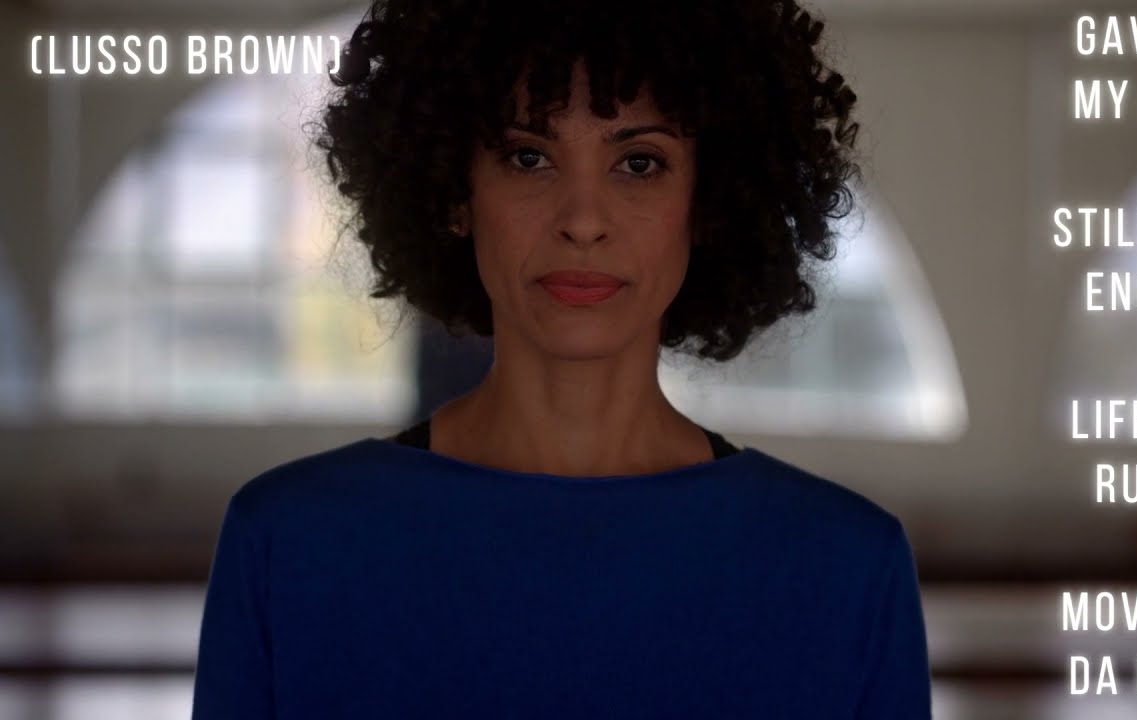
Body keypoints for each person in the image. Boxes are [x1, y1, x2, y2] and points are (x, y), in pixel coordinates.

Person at [192, 0, 932, 717]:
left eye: (638, 163)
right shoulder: (288, 545)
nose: (582, 221)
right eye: (529, 157)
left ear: (708, 202)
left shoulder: (848, 569)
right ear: (456, 193)